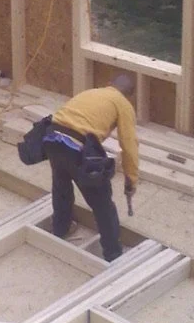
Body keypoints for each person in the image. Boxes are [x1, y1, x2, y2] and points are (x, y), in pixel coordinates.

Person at [43, 74, 138, 263]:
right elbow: (129, 144)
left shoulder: (92, 92)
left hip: (52, 138)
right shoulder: (123, 104)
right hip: (77, 146)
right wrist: (131, 179)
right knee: (102, 202)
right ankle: (113, 253)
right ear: (130, 95)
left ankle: (61, 228)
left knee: (61, 185)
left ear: (109, 84)